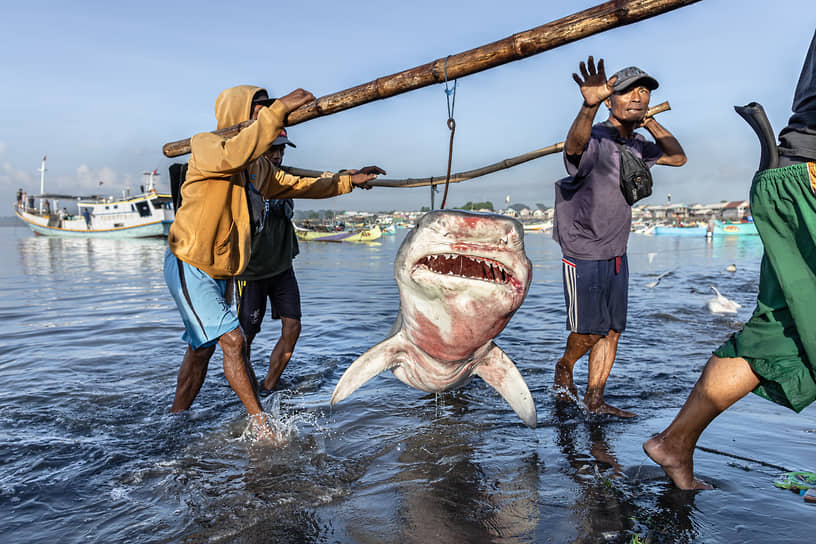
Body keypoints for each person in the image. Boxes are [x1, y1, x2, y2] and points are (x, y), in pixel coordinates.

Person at [644, 30, 816, 489]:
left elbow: (673, 156)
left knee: (778, 330)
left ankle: (675, 441)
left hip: (789, 175)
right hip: (810, 177)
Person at [164, 84, 384, 440]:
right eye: (257, 110)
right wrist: (278, 109)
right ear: (238, 115)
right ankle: (263, 425)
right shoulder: (205, 145)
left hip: (221, 272)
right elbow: (233, 154)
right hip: (190, 264)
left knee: (200, 350)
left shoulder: (256, 169)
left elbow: (296, 184)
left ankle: (174, 420)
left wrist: (348, 181)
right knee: (233, 341)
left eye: (264, 110)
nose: (263, 115)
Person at [551, 56, 687, 417]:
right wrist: (588, 106)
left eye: (644, 92)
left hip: (616, 249)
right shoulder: (594, 137)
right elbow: (574, 148)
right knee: (590, 331)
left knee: (611, 331)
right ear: (610, 100)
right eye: (627, 91)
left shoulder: (638, 145)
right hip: (583, 248)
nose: (638, 97)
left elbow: (677, 157)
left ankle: (595, 399)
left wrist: (652, 121)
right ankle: (565, 365)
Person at [236, 128, 304, 392]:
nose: (277, 156)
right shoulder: (243, 180)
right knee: (244, 339)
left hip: (282, 266)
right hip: (251, 272)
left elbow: (320, 185)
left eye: (281, 150)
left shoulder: (287, 180)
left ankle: (268, 387)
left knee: (293, 327)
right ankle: (248, 388)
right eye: (271, 150)